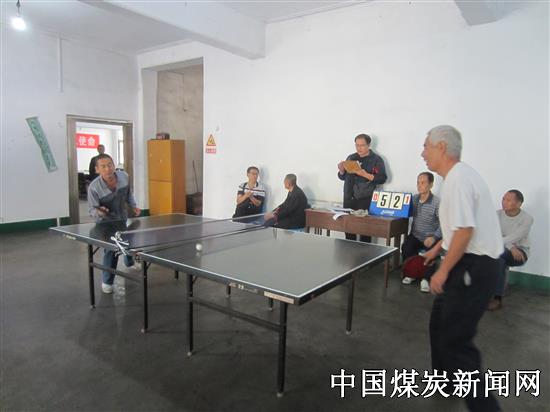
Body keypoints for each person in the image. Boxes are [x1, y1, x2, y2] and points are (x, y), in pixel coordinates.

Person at [421, 125, 502, 412]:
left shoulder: (458, 179)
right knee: (439, 323)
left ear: (441, 147)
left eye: (426, 146)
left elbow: (466, 231)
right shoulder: (456, 177)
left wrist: (443, 271)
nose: (422, 153)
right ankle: (447, 383)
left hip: (474, 267)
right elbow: (458, 227)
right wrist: (436, 249)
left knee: (457, 342)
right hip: (469, 262)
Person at [88, 154, 141, 294]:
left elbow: (128, 194)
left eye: (109, 165)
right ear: (97, 169)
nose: (107, 169)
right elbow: (92, 209)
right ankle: (107, 281)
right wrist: (100, 212)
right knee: (111, 249)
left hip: (121, 217)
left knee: (127, 239)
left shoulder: (124, 177)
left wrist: (133, 205)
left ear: (114, 165)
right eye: (103, 166)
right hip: (105, 223)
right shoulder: (94, 188)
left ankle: (129, 262)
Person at [488, 190, 533, 311]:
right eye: (503, 199)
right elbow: (494, 235)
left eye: (508, 200)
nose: (504, 202)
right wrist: (511, 247)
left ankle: (495, 297)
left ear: (519, 203)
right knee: (499, 260)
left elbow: (516, 237)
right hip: (503, 250)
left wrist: (509, 245)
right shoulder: (497, 214)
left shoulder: (527, 219)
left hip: (520, 252)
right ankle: (497, 297)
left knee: (497, 256)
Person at [337, 134, 387, 241]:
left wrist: (365, 174)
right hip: (349, 198)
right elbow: (343, 177)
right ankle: (349, 251)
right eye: (357, 145)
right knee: (349, 230)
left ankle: (365, 251)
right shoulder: (351, 157)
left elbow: (382, 178)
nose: (359, 148)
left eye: (362, 145)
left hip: (365, 199)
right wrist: (341, 171)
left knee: (364, 231)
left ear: (369, 145)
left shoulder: (376, 159)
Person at [401, 172, 442, 293]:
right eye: (418, 182)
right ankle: (411, 274)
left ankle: (426, 279)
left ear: (431, 185)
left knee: (432, 252)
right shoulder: (414, 199)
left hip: (430, 237)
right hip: (416, 235)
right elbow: (403, 211)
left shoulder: (437, 202)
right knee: (406, 247)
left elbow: (444, 224)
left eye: (423, 183)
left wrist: (434, 237)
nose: (419, 185)